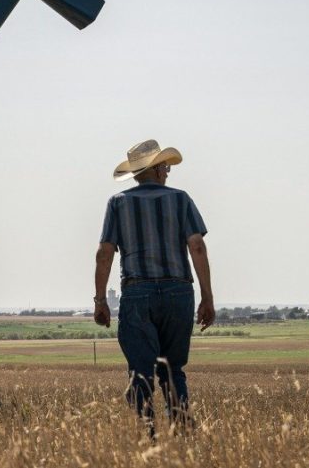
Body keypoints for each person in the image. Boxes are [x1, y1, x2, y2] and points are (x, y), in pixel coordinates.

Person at [93, 139, 215, 436]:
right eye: (166, 167)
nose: (168, 172)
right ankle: (184, 435)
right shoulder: (181, 199)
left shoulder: (118, 202)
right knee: (173, 370)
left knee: (140, 373)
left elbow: (104, 254)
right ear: (158, 169)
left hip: (137, 293)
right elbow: (197, 246)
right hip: (178, 292)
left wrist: (100, 301)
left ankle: (147, 438)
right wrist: (207, 298)